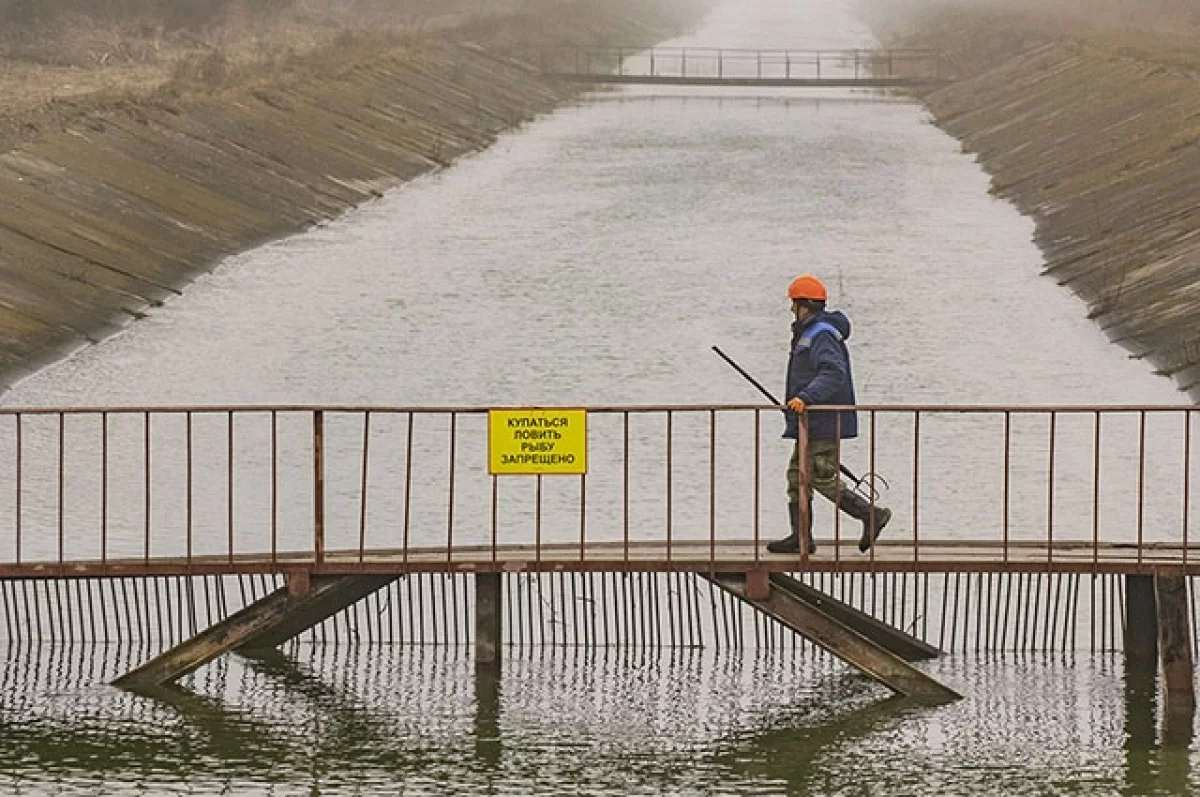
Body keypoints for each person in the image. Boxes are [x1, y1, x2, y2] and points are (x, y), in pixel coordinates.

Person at [767, 274, 892, 555]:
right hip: (811, 420)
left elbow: (834, 372)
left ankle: (871, 514)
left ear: (805, 305)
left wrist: (805, 397)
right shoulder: (813, 332)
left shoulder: (820, 334)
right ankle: (801, 538)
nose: (790, 310)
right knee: (796, 475)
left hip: (824, 419)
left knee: (820, 476)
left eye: (793, 304)